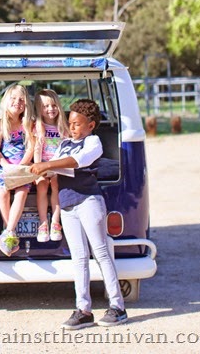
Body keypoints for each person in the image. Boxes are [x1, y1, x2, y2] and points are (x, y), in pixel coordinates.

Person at [30, 99, 128, 329]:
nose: (71, 127)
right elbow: (55, 168)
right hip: (67, 205)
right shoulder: (64, 144)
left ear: (90, 125)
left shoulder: (93, 142)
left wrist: (47, 166)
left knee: (101, 252)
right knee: (79, 257)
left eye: (76, 124)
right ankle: (83, 309)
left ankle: (118, 306)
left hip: (88, 201)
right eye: (70, 123)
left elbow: (77, 162)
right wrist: (39, 172)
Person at [0, 84, 34, 256]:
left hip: (23, 166)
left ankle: (8, 231)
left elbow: (31, 148)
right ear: (5, 101)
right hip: (5, 166)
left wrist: (21, 166)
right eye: (14, 98)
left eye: (22, 100)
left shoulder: (27, 124)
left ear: (26, 104)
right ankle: (10, 231)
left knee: (21, 192)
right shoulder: (2, 124)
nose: (18, 102)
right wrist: (6, 165)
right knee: (2, 191)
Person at [33, 89, 69, 242]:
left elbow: (66, 149)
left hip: (58, 166)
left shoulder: (63, 127)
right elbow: (37, 149)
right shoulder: (38, 127)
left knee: (56, 185)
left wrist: (57, 168)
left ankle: (55, 222)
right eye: (45, 106)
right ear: (39, 109)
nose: (50, 109)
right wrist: (38, 167)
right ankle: (43, 224)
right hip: (42, 165)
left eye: (54, 105)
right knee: (41, 185)